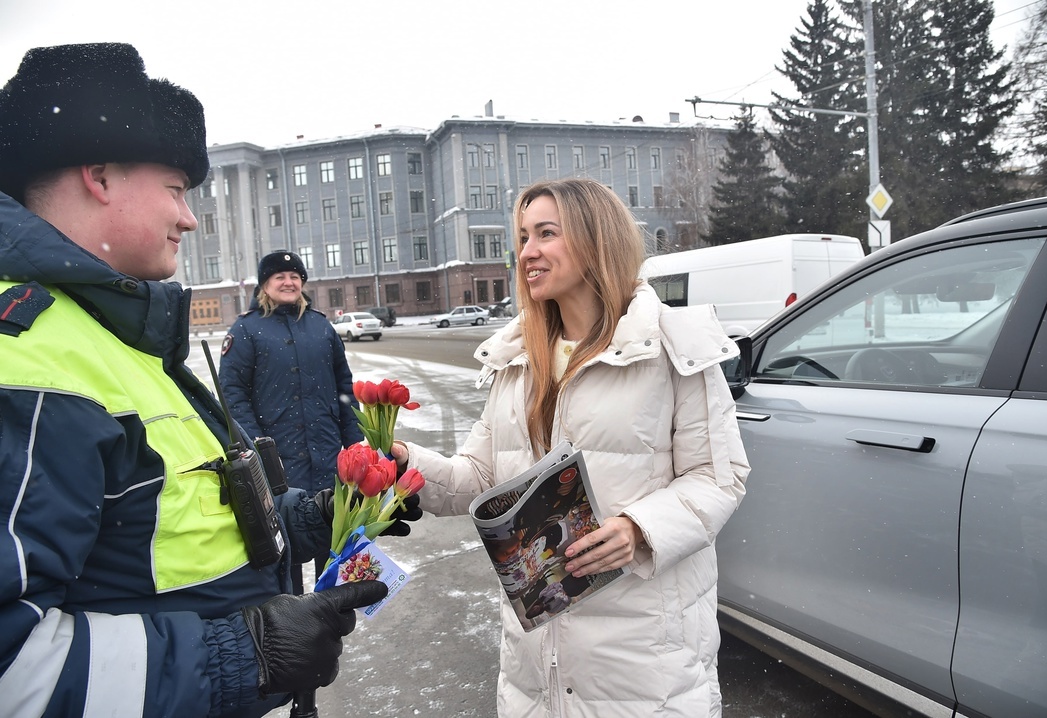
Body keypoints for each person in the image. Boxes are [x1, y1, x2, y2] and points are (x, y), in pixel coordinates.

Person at [0, 43, 412, 717]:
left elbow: (180, 520)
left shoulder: (104, 336)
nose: (190, 217)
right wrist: (241, 655)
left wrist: (317, 515)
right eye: (175, 192)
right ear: (99, 177)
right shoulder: (25, 362)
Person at [392, 177, 750, 717]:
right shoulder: (517, 360)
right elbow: (482, 478)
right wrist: (409, 467)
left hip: (643, 658)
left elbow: (719, 477)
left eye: (545, 234)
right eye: (523, 236)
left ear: (595, 239)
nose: (526, 252)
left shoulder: (674, 347)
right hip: (536, 664)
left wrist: (639, 530)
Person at [218, 250, 366, 594]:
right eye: (279, 277)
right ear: (264, 286)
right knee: (287, 546)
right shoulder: (246, 329)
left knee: (333, 538)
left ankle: (335, 610)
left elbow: (344, 387)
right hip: (277, 462)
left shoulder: (320, 326)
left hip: (328, 455)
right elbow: (232, 395)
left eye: (295, 277)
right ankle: (293, 613)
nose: (288, 282)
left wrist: (355, 441)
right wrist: (257, 448)